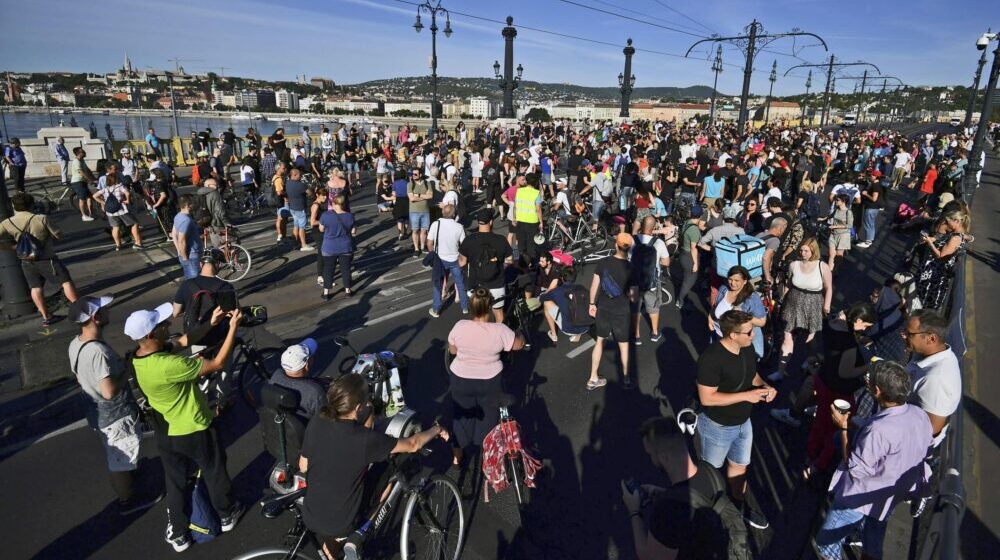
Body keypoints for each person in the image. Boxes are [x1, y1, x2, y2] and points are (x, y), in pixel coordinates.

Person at [127, 302, 245, 552]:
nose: (168, 324)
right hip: (194, 425)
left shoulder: (138, 359)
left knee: (176, 481)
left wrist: (210, 324)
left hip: (167, 430)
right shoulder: (169, 365)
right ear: (152, 334)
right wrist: (232, 328)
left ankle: (179, 533)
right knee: (214, 469)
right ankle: (227, 514)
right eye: (162, 324)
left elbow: (182, 342)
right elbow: (217, 364)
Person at [298, 375, 448, 558]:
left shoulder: (317, 421)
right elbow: (413, 444)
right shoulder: (365, 439)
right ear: (358, 407)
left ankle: (332, 551)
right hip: (343, 522)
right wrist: (436, 429)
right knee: (387, 474)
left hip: (312, 512)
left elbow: (303, 466)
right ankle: (359, 534)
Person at [814, 360, 932, 560]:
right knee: (873, 538)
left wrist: (843, 428)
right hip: (889, 495)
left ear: (877, 391)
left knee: (826, 542)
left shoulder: (877, 430)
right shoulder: (918, 414)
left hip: (859, 497)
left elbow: (856, 469)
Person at [67, 294, 162, 515]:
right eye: (103, 309)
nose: (108, 311)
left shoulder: (76, 343)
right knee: (118, 462)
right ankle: (127, 500)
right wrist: (127, 370)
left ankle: (128, 477)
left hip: (96, 413)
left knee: (119, 456)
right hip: (115, 417)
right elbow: (109, 391)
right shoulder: (97, 351)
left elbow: (80, 376)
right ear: (95, 317)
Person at [622, 416, 747, 560]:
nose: (651, 459)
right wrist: (664, 494)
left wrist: (634, 512)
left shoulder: (667, 513)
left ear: (664, 457)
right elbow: (699, 499)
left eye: (651, 455)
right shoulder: (710, 471)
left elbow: (648, 557)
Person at [696, 309, 776, 530]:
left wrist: (764, 386)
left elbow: (753, 375)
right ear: (732, 334)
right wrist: (747, 396)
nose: (754, 335)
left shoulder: (747, 348)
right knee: (710, 477)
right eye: (749, 332)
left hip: (743, 424)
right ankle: (706, 518)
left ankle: (739, 508)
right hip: (717, 427)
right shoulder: (711, 359)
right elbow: (707, 398)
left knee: (739, 470)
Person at [447, 288, 525, 464]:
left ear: (471, 307)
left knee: (461, 417)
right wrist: (520, 336)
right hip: (490, 382)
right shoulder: (500, 330)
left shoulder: (460, 326)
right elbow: (518, 345)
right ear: (490, 307)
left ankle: (457, 458)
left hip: (460, 380)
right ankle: (488, 456)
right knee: (488, 419)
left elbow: (453, 351)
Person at [804, 303, 876, 478]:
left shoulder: (832, 323)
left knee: (820, 422)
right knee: (835, 430)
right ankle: (819, 465)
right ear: (858, 320)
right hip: (838, 391)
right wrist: (868, 366)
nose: (864, 330)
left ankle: (811, 454)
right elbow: (845, 372)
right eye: (865, 325)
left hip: (823, 379)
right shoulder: (848, 342)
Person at [0, 192, 79, 326]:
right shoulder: (41, 218)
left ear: (13, 206)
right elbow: (58, 235)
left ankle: (46, 316)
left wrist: (11, 247)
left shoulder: (7, 222)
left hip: (26, 260)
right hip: (47, 258)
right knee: (65, 281)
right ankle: (80, 309)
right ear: (31, 205)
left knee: (35, 287)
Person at [770, 238, 832, 381]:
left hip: (813, 304)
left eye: (806, 251)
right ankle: (780, 372)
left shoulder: (822, 267)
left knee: (809, 340)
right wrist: (782, 300)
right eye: (801, 250)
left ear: (813, 251)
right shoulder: (793, 265)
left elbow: (828, 288)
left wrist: (826, 306)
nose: (803, 253)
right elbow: (789, 285)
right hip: (793, 303)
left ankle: (811, 360)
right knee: (787, 337)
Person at [588, 233, 638, 390]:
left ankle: (593, 378)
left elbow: (594, 286)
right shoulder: (631, 268)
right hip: (621, 311)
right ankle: (626, 378)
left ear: (616, 245)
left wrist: (592, 304)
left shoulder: (603, 263)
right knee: (624, 346)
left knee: (599, 341)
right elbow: (634, 297)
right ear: (629, 249)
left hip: (603, 308)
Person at [904, 309, 961, 444]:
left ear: (931, 338)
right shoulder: (928, 352)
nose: (904, 336)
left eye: (909, 334)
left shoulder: (936, 379)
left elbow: (931, 430)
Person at [459, 209, 513, 324]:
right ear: (491, 221)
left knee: (479, 315)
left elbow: (462, 262)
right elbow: (509, 260)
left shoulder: (469, 240)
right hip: (497, 284)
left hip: (475, 285)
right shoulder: (501, 240)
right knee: (498, 313)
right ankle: (499, 334)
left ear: (478, 222)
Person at [914, 205, 972, 311]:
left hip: (934, 275)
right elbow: (943, 240)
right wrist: (930, 239)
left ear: (957, 221)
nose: (947, 223)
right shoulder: (956, 234)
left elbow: (941, 256)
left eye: (949, 221)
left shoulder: (955, 238)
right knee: (922, 301)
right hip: (933, 272)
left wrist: (930, 243)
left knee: (924, 301)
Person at [709, 266, 767, 359]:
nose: (732, 283)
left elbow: (762, 322)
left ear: (745, 281)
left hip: (737, 343)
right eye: (730, 279)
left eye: (737, 280)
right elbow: (715, 306)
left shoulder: (752, 298)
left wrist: (745, 316)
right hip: (719, 335)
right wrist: (710, 318)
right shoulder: (724, 289)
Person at [632, 216, 671, 343]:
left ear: (641, 226)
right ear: (654, 227)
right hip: (651, 282)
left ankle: (636, 335)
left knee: (634, 308)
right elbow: (666, 262)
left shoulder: (632, 240)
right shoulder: (658, 243)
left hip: (633, 281)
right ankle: (654, 333)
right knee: (654, 308)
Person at [271, 338, 326, 422]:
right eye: (311, 356)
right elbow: (324, 419)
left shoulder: (276, 375)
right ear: (306, 365)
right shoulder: (315, 391)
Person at [427, 204, 468, 317]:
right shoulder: (459, 227)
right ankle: (465, 307)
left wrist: (432, 254)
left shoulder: (435, 224)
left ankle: (436, 309)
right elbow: (464, 245)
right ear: (454, 214)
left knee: (438, 284)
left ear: (442, 212)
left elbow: (429, 242)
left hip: (440, 260)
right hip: (455, 259)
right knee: (460, 283)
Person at [95, 161, 144, 251]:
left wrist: (103, 203)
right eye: (115, 169)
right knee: (134, 224)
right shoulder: (119, 186)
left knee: (115, 227)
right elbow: (127, 192)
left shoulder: (106, 188)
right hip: (121, 209)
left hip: (111, 210)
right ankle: (138, 242)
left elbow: (95, 195)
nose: (117, 170)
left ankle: (118, 245)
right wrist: (127, 200)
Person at [673, 204, 704, 311]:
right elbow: (693, 248)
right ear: (700, 216)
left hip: (683, 253)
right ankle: (680, 301)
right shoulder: (694, 230)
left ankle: (681, 297)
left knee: (686, 278)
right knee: (689, 281)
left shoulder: (687, 222)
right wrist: (695, 264)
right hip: (689, 257)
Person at [512, 173, 544, 265]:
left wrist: (514, 218)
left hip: (520, 220)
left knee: (521, 244)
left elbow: (515, 206)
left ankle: (522, 263)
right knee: (531, 245)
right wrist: (541, 222)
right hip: (532, 222)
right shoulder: (536, 193)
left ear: (526, 181)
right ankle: (532, 264)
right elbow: (538, 209)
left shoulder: (519, 191)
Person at [172, 194, 203, 280]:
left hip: (188, 255)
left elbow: (174, 234)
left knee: (190, 279)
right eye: (192, 203)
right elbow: (181, 241)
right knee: (194, 281)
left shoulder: (178, 216)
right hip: (191, 255)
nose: (194, 205)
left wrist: (179, 252)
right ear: (187, 205)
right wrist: (185, 259)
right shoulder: (186, 220)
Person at [284, 168, 313, 252]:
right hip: (300, 208)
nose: (301, 176)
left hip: (292, 207)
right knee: (302, 227)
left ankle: (295, 243)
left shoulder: (288, 183)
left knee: (296, 225)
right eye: (299, 175)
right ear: (295, 175)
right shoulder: (301, 185)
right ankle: (304, 245)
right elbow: (310, 193)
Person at [407, 167, 433, 258]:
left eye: (415, 174)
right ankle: (416, 249)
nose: (413, 176)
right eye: (412, 174)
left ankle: (422, 247)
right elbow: (411, 198)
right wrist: (424, 196)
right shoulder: (410, 184)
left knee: (424, 230)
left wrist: (417, 195)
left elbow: (430, 196)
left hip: (425, 211)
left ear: (420, 174)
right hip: (414, 211)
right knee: (415, 230)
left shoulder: (427, 183)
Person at [826, 194, 853, 272]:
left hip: (843, 235)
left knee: (838, 255)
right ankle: (829, 272)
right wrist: (822, 219)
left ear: (843, 202)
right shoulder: (837, 209)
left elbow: (849, 225)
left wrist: (835, 226)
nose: (835, 201)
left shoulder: (848, 212)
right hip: (833, 234)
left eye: (837, 200)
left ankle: (835, 270)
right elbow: (831, 216)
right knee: (831, 254)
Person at [69, 146, 97, 221]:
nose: (84, 152)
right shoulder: (76, 161)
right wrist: (90, 180)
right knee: (82, 199)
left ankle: (91, 213)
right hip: (77, 182)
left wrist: (94, 178)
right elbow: (81, 172)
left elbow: (88, 170)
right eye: (82, 151)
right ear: (78, 153)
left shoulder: (82, 160)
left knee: (89, 197)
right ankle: (84, 216)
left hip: (83, 182)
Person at [857, 176, 883, 248]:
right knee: (871, 224)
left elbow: (874, 199)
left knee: (868, 224)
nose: (871, 176)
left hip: (871, 208)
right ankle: (870, 240)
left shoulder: (875, 186)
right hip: (874, 208)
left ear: (876, 177)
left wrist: (866, 194)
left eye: (872, 175)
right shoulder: (878, 184)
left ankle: (868, 242)